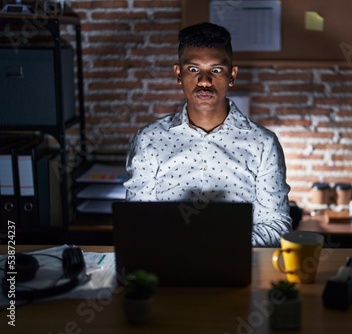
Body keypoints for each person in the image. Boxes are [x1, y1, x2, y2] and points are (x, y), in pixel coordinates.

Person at [123, 22, 292, 247]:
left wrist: (220, 243)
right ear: (178, 74)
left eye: (216, 70)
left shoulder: (263, 143)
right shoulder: (148, 140)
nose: (204, 81)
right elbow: (137, 221)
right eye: (193, 70)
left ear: (232, 75)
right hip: (169, 262)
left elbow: (276, 225)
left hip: (239, 264)